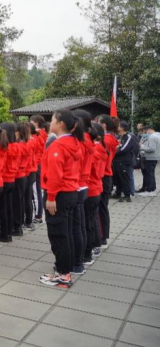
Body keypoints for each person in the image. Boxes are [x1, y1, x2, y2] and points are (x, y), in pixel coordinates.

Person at [40, 109, 81, 288]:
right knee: (66, 234)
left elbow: (55, 174)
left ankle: (63, 275)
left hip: (59, 194)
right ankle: (64, 270)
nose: (50, 123)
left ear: (61, 123)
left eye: (52, 120)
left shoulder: (58, 146)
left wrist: (51, 197)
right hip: (70, 192)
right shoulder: (73, 142)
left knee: (58, 235)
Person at [70, 110, 94, 275]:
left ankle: (77, 262)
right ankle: (83, 257)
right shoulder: (86, 139)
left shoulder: (81, 141)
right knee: (80, 225)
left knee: (76, 227)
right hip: (83, 184)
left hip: (77, 185)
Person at [84, 122, 107, 265]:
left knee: (89, 222)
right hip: (97, 186)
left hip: (91, 188)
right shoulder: (100, 148)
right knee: (93, 219)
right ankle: (96, 244)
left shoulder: (94, 150)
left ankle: (90, 248)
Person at [97, 115, 118, 248]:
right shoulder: (111, 138)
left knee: (101, 208)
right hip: (106, 174)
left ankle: (102, 237)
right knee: (102, 207)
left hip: (103, 175)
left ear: (103, 125)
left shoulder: (106, 139)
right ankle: (103, 236)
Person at [0, 122, 18, 242]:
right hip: (12, 178)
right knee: (9, 207)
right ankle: (9, 231)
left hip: (4, 178)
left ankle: (4, 234)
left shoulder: (5, 147)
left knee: (3, 208)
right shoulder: (16, 146)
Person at [30, 115, 48, 222]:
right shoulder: (43, 133)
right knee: (37, 189)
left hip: (37, 163)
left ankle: (38, 215)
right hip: (40, 162)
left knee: (36, 190)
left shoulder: (38, 134)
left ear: (36, 123)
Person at [113, 121, 135, 202]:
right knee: (117, 178)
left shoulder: (128, 137)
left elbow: (123, 149)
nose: (117, 127)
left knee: (125, 178)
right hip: (117, 161)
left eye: (119, 126)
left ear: (122, 128)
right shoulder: (120, 136)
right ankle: (118, 193)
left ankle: (127, 195)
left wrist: (113, 153)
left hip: (124, 161)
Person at [138, 125, 159, 196]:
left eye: (146, 132)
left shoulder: (152, 137)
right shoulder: (157, 135)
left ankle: (150, 190)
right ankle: (149, 189)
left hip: (150, 157)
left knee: (149, 174)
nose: (145, 133)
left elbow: (152, 148)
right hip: (153, 157)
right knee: (150, 174)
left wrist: (141, 147)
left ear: (149, 130)